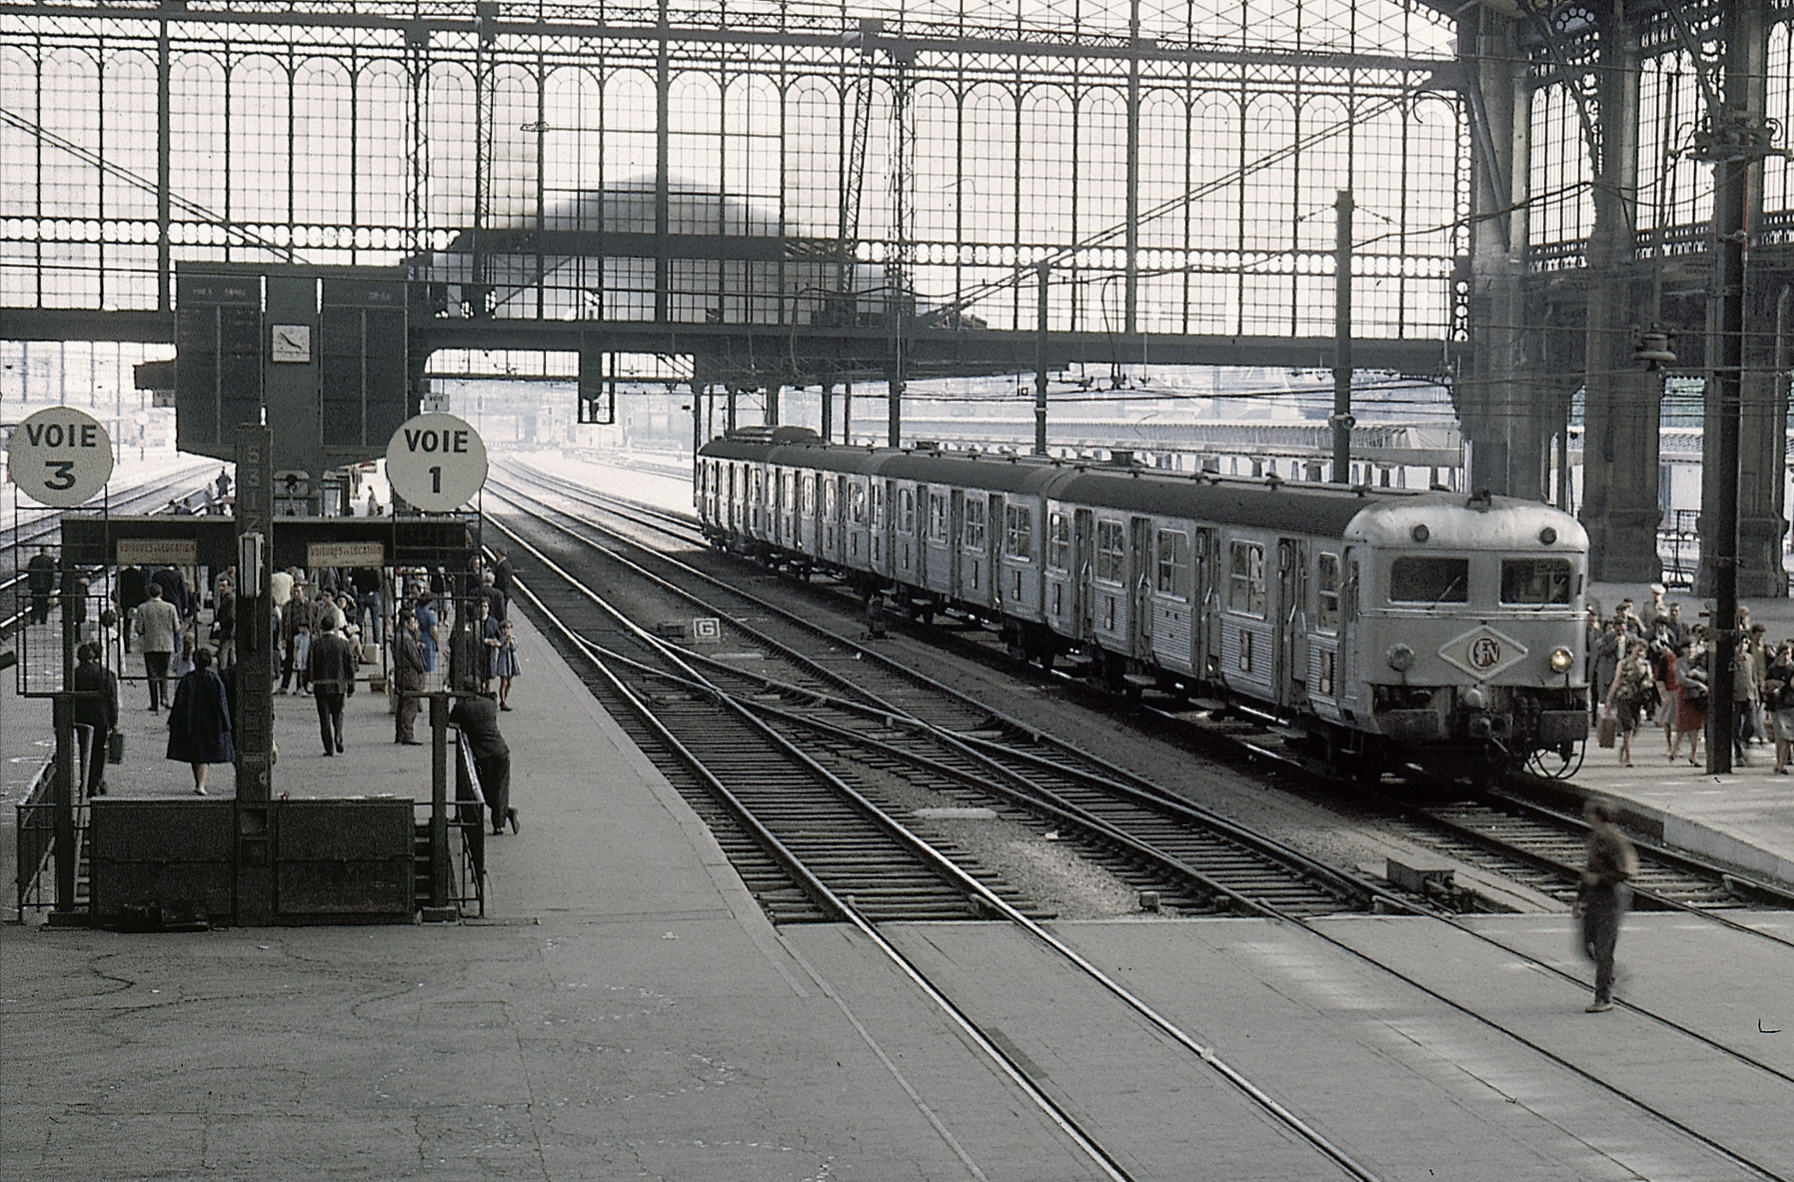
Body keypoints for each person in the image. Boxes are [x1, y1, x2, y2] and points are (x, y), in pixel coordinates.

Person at [1575, 799, 1638, 1013]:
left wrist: (1600, 880)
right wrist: (1579, 898)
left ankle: (1603, 997)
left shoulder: (1616, 840)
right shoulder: (1595, 837)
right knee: (1586, 946)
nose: (1586, 816)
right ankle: (1608, 974)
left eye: (1589, 813)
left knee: (1603, 948)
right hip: (1594, 897)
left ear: (1598, 815)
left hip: (1612, 897)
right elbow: (1588, 869)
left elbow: (1627, 870)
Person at [450, 679, 515, 836]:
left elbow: (450, 722)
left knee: (484, 789)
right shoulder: (489, 704)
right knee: (500, 788)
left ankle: (501, 819)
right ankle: (501, 820)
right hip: (500, 750)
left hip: (482, 755)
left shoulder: (461, 707)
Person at [165, 647, 234, 796]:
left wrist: (173, 720)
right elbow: (221, 702)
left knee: (196, 754)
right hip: (209, 721)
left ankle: (199, 782)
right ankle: (201, 784)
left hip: (191, 720)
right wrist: (225, 723)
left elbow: (179, 702)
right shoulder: (215, 679)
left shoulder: (188, 679)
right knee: (204, 755)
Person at [71, 643, 119, 797]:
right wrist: (114, 721)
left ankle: (84, 781)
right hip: (101, 718)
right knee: (98, 752)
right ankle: (93, 783)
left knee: (84, 749)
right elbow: (112, 699)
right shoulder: (106, 674)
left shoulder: (74, 674)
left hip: (81, 718)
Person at [1603, 640, 1652, 767]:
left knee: (1635, 727)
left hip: (1638, 698)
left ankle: (1624, 747)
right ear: (1632, 649)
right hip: (1624, 696)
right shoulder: (1623, 663)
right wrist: (1609, 699)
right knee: (1628, 726)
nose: (1640, 653)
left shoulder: (1646, 664)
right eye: (1638, 649)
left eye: (1642, 650)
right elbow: (1616, 680)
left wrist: (1647, 684)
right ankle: (1628, 757)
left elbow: (1650, 679)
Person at [309, 623, 356, 756]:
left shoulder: (316, 644)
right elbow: (349, 666)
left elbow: (311, 664)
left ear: (322, 629)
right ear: (334, 628)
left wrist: (307, 681)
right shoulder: (343, 644)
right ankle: (338, 735)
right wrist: (351, 685)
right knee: (338, 713)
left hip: (321, 685)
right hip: (338, 685)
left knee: (324, 717)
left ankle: (328, 747)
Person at [134, 582, 180, 712]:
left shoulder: (142, 608)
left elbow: (138, 628)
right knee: (164, 672)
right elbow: (177, 627)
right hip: (166, 644)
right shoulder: (171, 607)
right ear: (161, 593)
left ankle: (154, 703)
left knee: (152, 674)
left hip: (150, 644)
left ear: (148, 594)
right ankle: (164, 698)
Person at [1668, 639, 1706, 765]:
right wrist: (1698, 684)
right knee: (1683, 725)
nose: (1690, 651)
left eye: (1692, 647)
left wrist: (1697, 674)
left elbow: (1706, 674)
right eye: (1687, 648)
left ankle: (1693, 755)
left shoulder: (1698, 661)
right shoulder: (1679, 662)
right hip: (1685, 694)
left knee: (1696, 726)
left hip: (1697, 696)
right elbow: (1681, 679)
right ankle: (1673, 750)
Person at [393, 610, 428, 745]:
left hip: (400, 671)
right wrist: (421, 668)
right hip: (409, 672)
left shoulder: (398, 636)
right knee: (411, 702)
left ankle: (400, 733)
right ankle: (407, 733)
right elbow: (414, 658)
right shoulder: (407, 638)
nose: (415, 625)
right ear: (406, 622)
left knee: (402, 702)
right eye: (413, 622)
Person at [1766, 642, 1794, 775]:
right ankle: (1779, 764)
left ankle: (1781, 764)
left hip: (1789, 704)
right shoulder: (1773, 668)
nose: (1787, 656)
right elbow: (1765, 684)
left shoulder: (1792, 668)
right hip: (1776, 705)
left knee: (1786, 736)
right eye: (1785, 653)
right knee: (1779, 737)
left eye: (1789, 653)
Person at [492, 619, 519, 711]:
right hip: (504, 661)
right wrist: (507, 643)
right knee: (503, 682)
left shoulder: (514, 638)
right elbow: (503, 650)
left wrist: (511, 642)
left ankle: (505, 699)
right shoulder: (501, 639)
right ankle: (502, 701)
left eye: (508, 628)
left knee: (509, 683)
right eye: (504, 628)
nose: (506, 630)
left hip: (511, 661)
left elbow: (515, 648)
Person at [414, 592, 440, 684]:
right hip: (428, 639)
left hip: (417, 637)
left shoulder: (416, 610)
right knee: (427, 666)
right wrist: (437, 642)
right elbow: (434, 630)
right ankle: (423, 687)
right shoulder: (430, 614)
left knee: (418, 662)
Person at [26, 546, 56, 625]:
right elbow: (51, 575)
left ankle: (33, 619)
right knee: (44, 605)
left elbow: (30, 572)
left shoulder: (34, 560)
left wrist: (31, 584)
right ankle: (43, 620)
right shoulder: (49, 561)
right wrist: (52, 586)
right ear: (46, 551)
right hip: (45, 586)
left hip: (35, 586)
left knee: (35, 603)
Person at [477, 598, 502, 693]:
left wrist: (498, 643)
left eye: (485, 606)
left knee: (489, 679)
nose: (483, 609)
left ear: (488, 608)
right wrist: (484, 640)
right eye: (481, 606)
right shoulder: (475, 621)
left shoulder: (493, 622)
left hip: (489, 653)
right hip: (478, 652)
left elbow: (499, 636)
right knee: (479, 679)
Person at [211, 577, 237, 667]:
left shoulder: (231, 599)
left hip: (228, 631)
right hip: (227, 631)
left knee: (223, 653)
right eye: (220, 586)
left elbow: (231, 616)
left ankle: (223, 672)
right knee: (230, 653)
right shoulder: (226, 598)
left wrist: (220, 624)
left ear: (229, 587)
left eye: (223, 586)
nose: (221, 588)